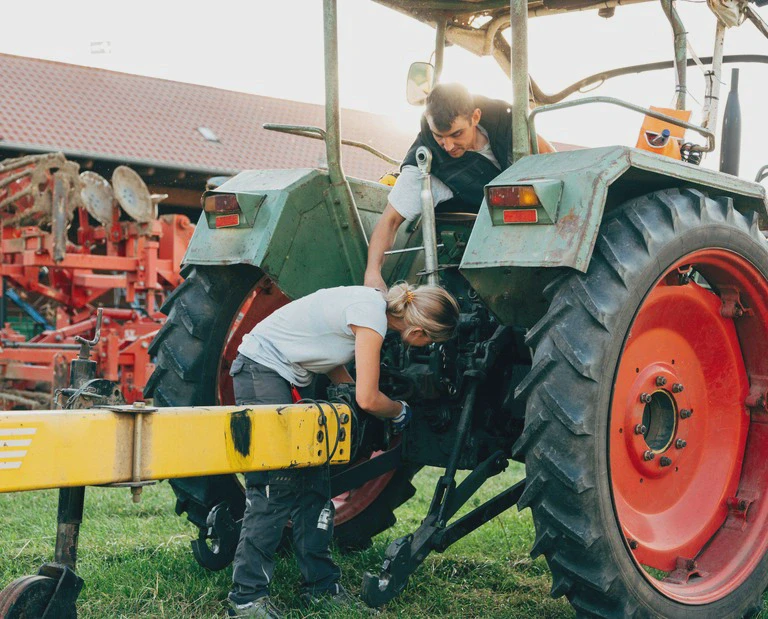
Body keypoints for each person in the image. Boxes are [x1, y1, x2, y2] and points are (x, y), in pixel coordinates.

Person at [226, 282, 460, 619]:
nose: (428, 346)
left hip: (287, 374)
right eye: (432, 341)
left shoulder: (372, 306)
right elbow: (367, 398)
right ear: (419, 331)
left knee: (314, 482)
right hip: (260, 370)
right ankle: (246, 600)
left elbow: (328, 358)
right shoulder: (372, 318)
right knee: (273, 488)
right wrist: (398, 410)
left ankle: (320, 587)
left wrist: (353, 393)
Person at [364, 82, 514, 290]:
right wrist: (372, 273)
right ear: (428, 121)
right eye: (439, 136)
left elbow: (545, 152)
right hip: (487, 248)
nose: (448, 146)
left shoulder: (505, 122)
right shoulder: (425, 163)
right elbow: (389, 221)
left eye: (457, 134)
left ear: (475, 117)